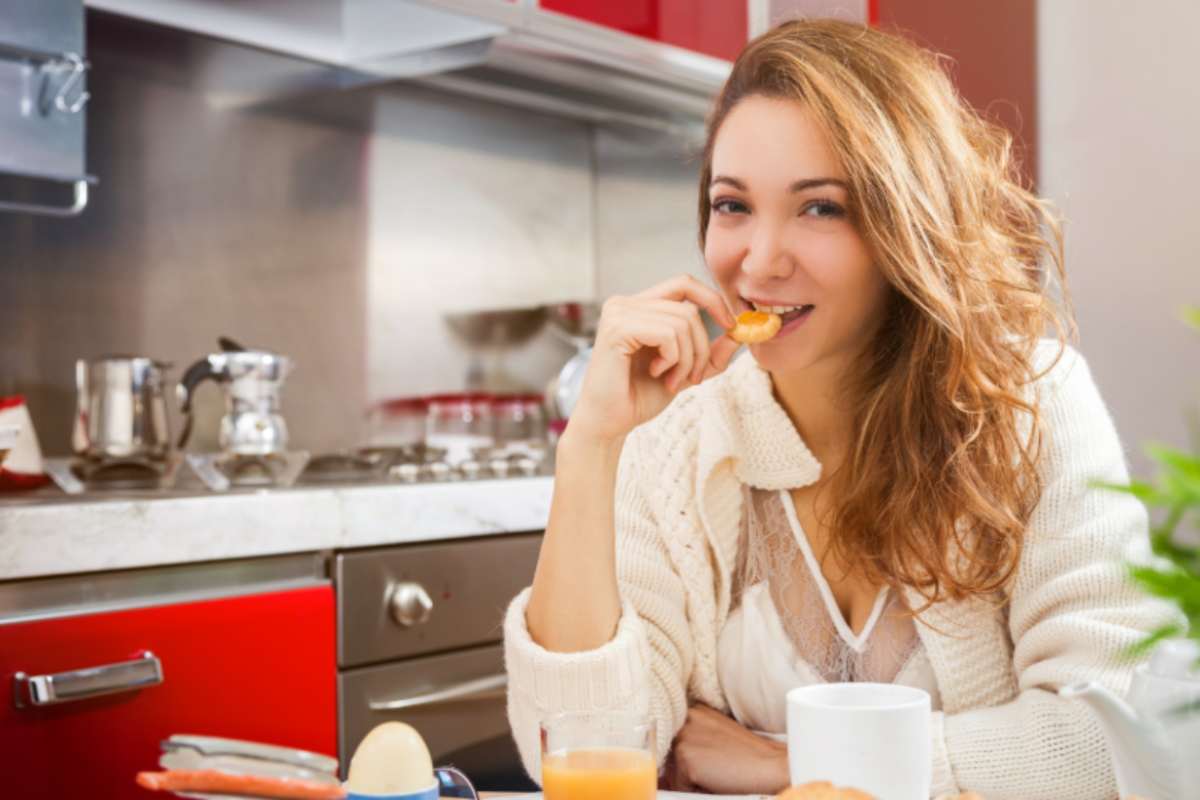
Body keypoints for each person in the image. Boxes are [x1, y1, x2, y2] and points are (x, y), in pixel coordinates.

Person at [503, 18, 1174, 800]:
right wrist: (590, 446)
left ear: (905, 225)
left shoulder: (1029, 399)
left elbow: (1107, 739)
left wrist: (790, 766)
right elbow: (582, 748)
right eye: (732, 206)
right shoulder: (676, 436)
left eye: (819, 208)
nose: (759, 260)